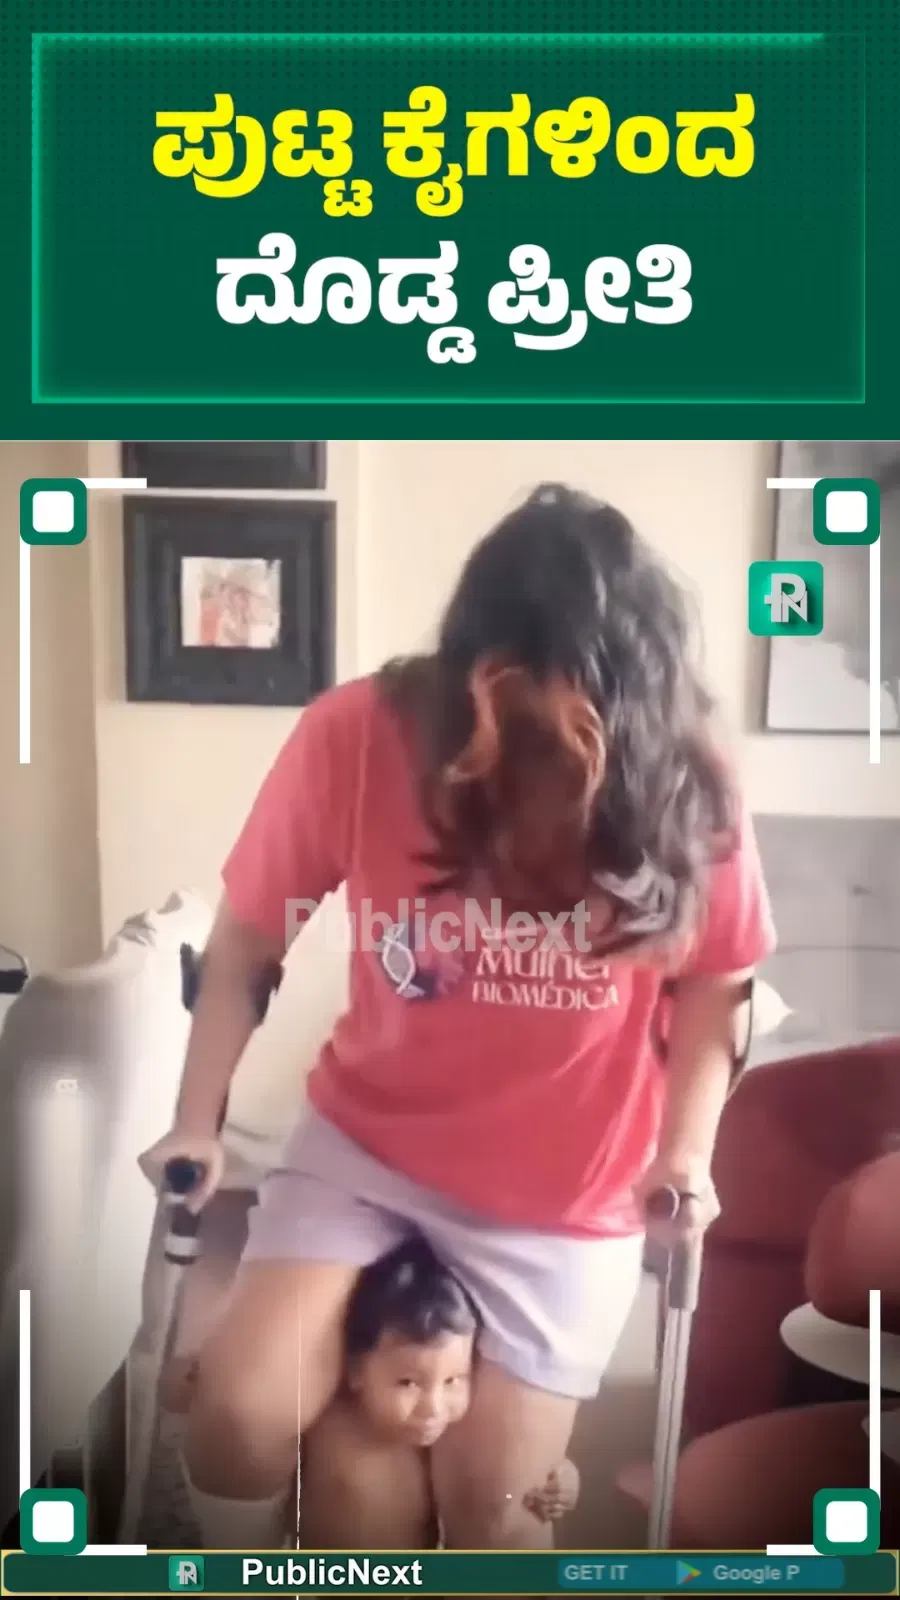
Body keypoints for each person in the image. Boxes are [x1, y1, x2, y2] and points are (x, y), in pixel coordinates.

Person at [142, 483, 776, 1552]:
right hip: (369, 1144)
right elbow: (251, 936)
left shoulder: (687, 778)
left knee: (492, 1509)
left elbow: (718, 980)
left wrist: (686, 1152)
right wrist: (196, 1119)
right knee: (239, 1420)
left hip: (568, 1193)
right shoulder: (359, 735)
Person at [298, 1234, 579, 1547]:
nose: (433, 1407)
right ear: (355, 1371)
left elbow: (522, 1469)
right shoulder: (326, 1424)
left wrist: (563, 1481)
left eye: (453, 1380)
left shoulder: (446, 1440)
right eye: (408, 1383)